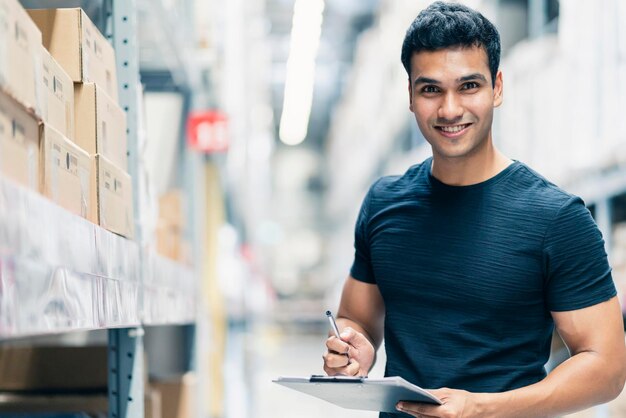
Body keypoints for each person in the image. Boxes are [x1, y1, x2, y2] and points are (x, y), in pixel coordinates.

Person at [322, 2, 626, 417]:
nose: (450, 110)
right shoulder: (384, 203)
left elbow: (607, 367)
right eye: (431, 89)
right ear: (410, 95)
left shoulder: (556, 218)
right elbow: (356, 317)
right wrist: (354, 345)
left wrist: (485, 408)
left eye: (469, 86)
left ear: (497, 88)